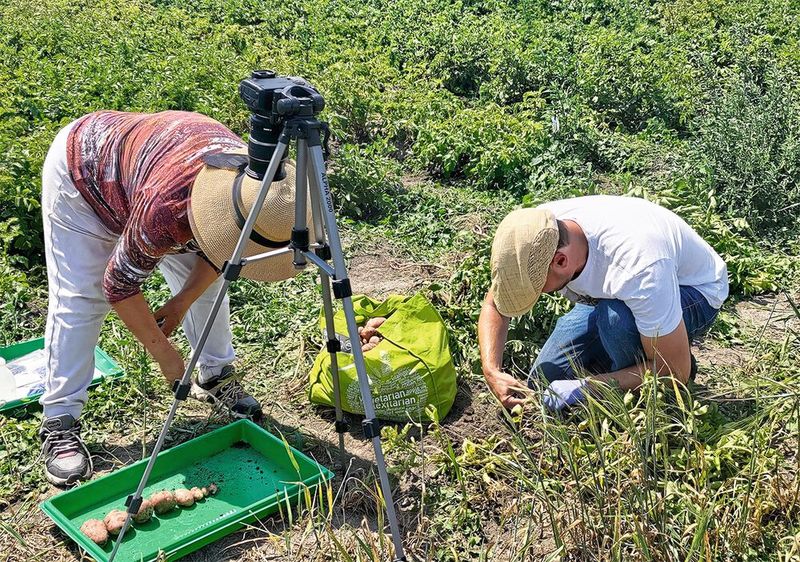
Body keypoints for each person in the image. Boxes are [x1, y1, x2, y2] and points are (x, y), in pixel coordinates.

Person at [39, 110, 309, 486]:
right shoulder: (166, 211)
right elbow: (118, 284)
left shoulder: (260, 193)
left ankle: (215, 376)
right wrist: (165, 354)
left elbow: (222, 254)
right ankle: (60, 418)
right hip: (86, 173)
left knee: (209, 285)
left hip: (158, 169)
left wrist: (181, 301)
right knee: (83, 297)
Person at [478, 195, 729, 411]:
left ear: (561, 262)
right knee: (543, 382)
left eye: (537, 287)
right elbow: (495, 303)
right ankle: (624, 364)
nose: (538, 294)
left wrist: (589, 387)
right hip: (611, 294)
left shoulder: (640, 269)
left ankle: (651, 384)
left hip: (694, 291)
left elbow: (675, 371)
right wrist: (492, 371)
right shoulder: (534, 233)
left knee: (616, 321)